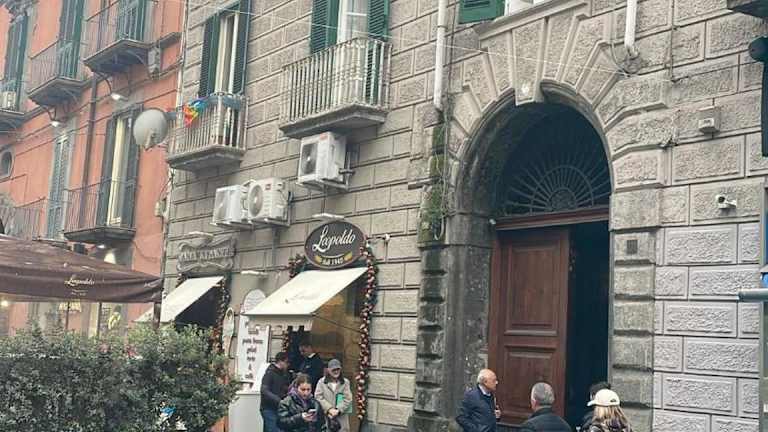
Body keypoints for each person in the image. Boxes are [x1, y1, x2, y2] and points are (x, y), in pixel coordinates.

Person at [314, 359, 353, 432]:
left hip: (341, 419)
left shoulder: (345, 382)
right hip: (326, 418)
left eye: (338, 369)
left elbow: (348, 399)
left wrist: (338, 410)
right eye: (333, 370)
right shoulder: (321, 382)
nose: (336, 371)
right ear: (328, 370)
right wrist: (329, 409)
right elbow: (318, 397)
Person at [261, 352, 292, 432]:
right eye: (287, 362)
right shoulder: (270, 373)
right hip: (269, 408)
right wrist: (279, 400)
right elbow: (264, 390)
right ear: (281, 361)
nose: (288, 365)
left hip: (277, 407)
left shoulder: (283, 374)